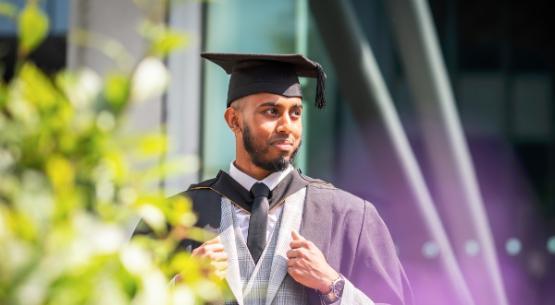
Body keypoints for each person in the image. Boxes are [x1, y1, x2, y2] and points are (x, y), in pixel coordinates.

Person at [173, 53, 411, 305]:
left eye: (295, 113)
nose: (287, 126)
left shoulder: (349, 217)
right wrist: (180, 287)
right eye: (271, 111)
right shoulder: (178, 217)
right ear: (234, 120)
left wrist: (333, 286)